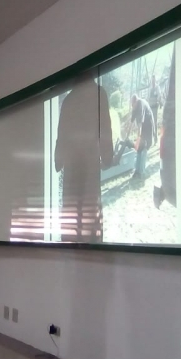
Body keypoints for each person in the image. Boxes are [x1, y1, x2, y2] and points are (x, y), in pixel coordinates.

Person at [54, 78, 113, 243]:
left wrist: (58, 160)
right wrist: (107, 156)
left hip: (72, 167)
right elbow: (105, 129)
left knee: (72, 218)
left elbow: (61, 136)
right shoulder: (98, 94)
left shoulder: (69, 100)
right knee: (89, 217)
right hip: (89, 164)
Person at [128, 94, 155, 180]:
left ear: (136, 101)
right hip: (143, 128)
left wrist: (138, 139)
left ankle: (141, 172)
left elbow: (140, 125)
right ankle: (137, 170)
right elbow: (131, 122)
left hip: (148, 127)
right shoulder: (135, 107)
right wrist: (127, 136)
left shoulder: (140, 105)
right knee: (139, 149)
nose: (132, 107)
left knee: (143, 149)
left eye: (133, 105)